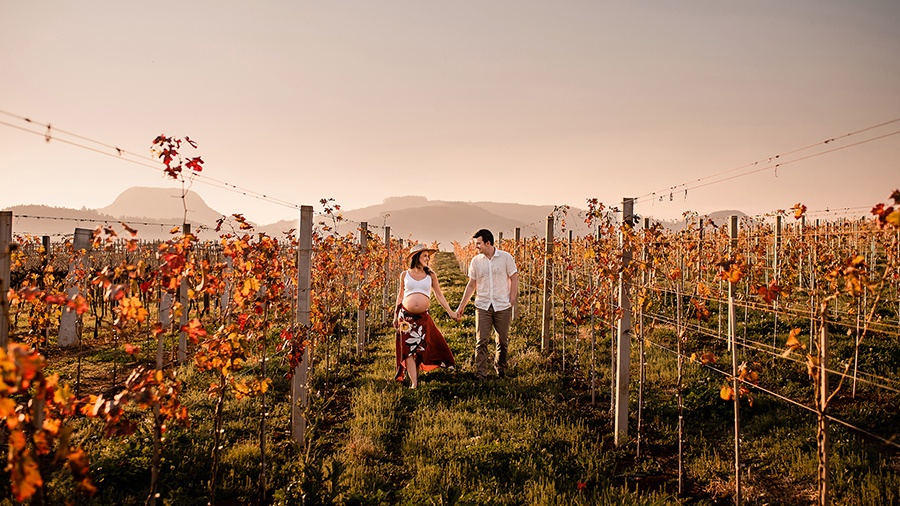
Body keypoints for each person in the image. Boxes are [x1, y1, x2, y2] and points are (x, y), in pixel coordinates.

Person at [455, 229, 518, 380]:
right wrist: (461, 306)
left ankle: (500, 369)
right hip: (482, 305)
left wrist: (512, 299)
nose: (476, 247)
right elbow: (471, 285)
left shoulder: (505, 258)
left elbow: (514, 278)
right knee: (481, 340)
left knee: (502, 340)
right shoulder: (476, 261)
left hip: (502, 305)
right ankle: (481, 373)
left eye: (478, 243)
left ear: (487, 243)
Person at [394, 243, 458, 389]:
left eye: (428, 256)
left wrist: (450, 312)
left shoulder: (430, 275)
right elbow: (400, 295)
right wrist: (395, 315)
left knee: (420, 348)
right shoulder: (404, 274)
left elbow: (439, 294)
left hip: (422, 317)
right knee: (408, 349)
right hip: (406, 318)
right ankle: (414, 383)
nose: (427, 258)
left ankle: (416, 373)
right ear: (416, 257)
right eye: (424, 256)